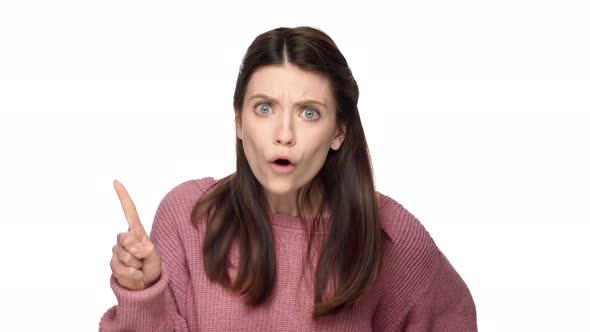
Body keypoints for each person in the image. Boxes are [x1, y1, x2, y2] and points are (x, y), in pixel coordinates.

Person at [99, 26, 477, 331]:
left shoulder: (389, 237)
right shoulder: (189, 216)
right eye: (264, 108)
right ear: (239, 122)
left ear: (338, 131)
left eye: (308, 113)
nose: (284, 133)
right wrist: (142, 294)